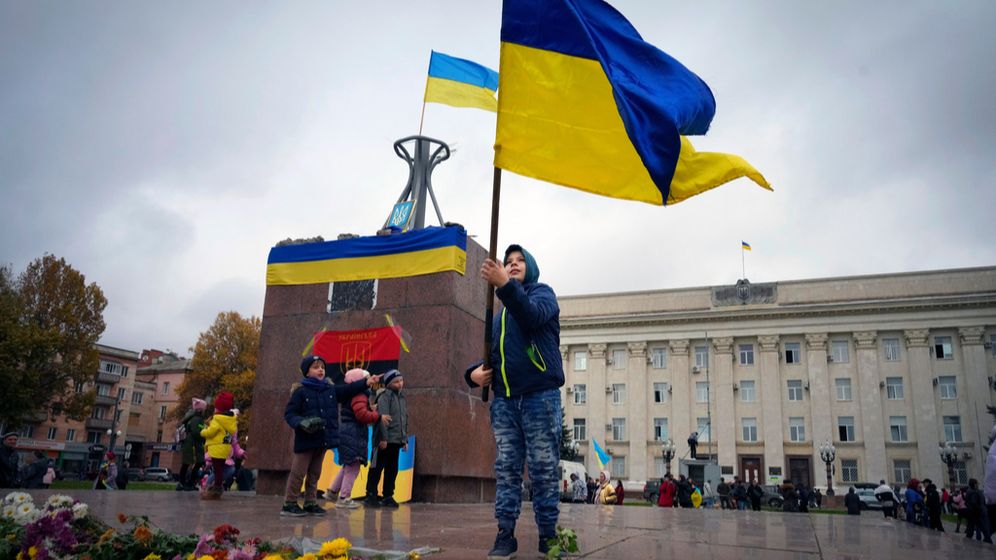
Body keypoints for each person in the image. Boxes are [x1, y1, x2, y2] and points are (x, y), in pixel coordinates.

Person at [464, 244, 564, 559]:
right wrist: (473, 374)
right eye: (508, 262)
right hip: (506, 403)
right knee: (507, 470)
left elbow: (531, 317)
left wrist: (505, 286)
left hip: (539, 397)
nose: (513, 264)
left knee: (543, 469)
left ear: (530, 266)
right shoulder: (499, 316)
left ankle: (549, 537)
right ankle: (505, 534)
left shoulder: (543, 294)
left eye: (520, 260)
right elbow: (493, 356)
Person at [281, 355, 379, 517]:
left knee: (315, 473)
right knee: (299, 472)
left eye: (322, 367)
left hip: (322, 439)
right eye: (315, 367)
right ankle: (289, 503)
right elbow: (290, 414)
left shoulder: (330, 389)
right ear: (307, 372)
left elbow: (348, 390)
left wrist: (366, 382)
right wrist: (301, 422)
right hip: (306, 439)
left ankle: (310, 502)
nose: (320, 370)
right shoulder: (300, 391)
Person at [331, 368, 388, 509]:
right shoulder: (359, 395)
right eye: (366, 379)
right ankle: (344, 498)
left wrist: (370, 409)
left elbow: (358, 411)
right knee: (353, 467)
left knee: (348, 465)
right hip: (354, 434)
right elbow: (361, 415)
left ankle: (332, 491)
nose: (369, 382)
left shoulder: (354, 395)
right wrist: (377, 416)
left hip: (349, 432)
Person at [364, 369, 408, 509]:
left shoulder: (401, 398)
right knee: (377, 467)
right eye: (396, 382)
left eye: (401, 380)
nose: (400, 384)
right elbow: (383, 418)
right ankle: (371, 494)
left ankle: (388, 495)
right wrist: (383, 438)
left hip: (396, 441)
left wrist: (404, 440)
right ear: (389, 383)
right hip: (383, 441)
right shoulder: (384, 396)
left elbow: (404, 420)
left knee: (392, 469)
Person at [199, 392, 237, 500]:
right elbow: (230, 435)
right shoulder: (231, 420)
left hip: (216, 449)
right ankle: (216, 487)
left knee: (217, 470)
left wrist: (203, 431)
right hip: (225, 449)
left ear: (219, 408)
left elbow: (211, 432)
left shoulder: (217, 419)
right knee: (219, 469)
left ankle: (216, 489)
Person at [177, 398, 208, 491]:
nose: (205, 410)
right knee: (188, 463)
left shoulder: (197, 418)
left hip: (193, 444)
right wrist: (204, 435)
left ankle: (186, 483)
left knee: (194, 462)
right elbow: (196, 431)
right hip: (191, 444)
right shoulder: (196, 418)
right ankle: (184, 483)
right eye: (204, 409)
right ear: (200, 409)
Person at [964, 478, 993, 543]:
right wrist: (980, 509)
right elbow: (974, 503)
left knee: (971, 528)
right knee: (983, 528)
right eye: (977, 483)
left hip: (971, 513)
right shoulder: (974, 492)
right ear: (974, 484)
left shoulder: (969, 491)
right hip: (975, 513)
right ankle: (989, 541)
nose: (978, 484)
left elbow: (966, 502)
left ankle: (967, 542)